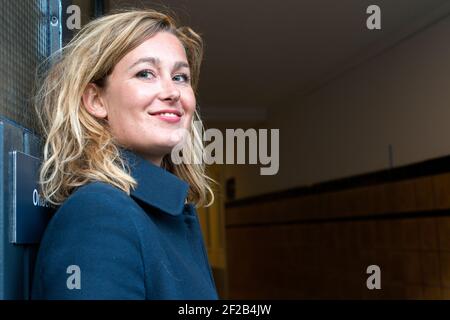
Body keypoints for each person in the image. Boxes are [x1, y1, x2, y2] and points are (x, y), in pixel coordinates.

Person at [31, 9, 218, 300]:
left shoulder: (166, 211)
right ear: (96, 100)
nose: (173, 92)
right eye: (146, 73)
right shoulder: (97, 215)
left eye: (180, 77)